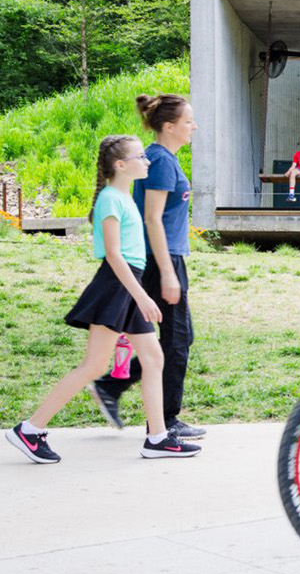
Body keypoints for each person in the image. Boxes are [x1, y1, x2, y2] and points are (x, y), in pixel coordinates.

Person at [8, 136, 200, 463]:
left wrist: (139, 293)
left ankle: (157, 438)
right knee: (94, 365)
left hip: (128, 285)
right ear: (121, 165)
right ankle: (29, 429)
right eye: (140, 157)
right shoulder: (111, 199)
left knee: (153, 359)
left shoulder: (123, 197)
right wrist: (142, 297)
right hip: (117, 287)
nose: (147, 161)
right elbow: (113, 255)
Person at [91, 94, 205, 441]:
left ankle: (113, 386)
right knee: (177, 338)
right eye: (188, 122)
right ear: (169, 127)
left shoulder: (161, 158)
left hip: (163, 256)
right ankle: (165, 420)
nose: (193, 127)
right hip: (162, 257)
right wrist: (168, 272)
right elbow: (152, 218)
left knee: (176, 337)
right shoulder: (160, 161)